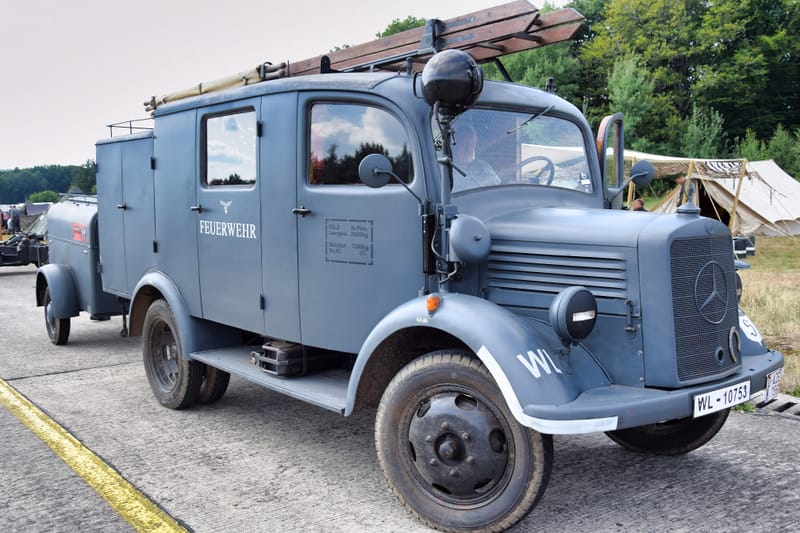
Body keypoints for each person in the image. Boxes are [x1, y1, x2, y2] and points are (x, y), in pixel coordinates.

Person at [451, 124, 500, 192]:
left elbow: (497, 186)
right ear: (454, 146)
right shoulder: (444, 170)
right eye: (465, 144)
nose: (469, 149)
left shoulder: (483, 166)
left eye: (472, 144)